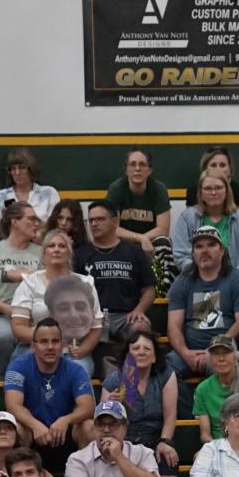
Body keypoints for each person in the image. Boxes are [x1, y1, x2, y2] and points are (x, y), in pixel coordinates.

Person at [165, 224, 239, 399]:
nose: (204, 251)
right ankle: (192, 414)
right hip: (189, 351)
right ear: (193, 253)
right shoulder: (182, 282)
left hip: (226, 350)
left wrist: (213, 352)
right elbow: (173, 327)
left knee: (229, 367)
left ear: (221, 250)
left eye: (211, 245)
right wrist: (185, 353)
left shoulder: (238, 279)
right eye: (199, 247)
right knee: (163, 371)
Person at [75, 199, 157, 372]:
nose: (94, 224)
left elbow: (149, 289)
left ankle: (139, 381)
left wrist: (139, 310)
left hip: (125, 316)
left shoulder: (134, 252)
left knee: (141, 326)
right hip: (94, 317)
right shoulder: (80, 254)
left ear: (115, 221)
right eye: (91, 220)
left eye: (100, 219)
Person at [3, 318, 96, 467]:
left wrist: (66, 420)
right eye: (44, 342)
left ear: (63, 345)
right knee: (17, 428)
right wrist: (34, 425)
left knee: (88, 426)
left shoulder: (76, 370)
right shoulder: (18, 366)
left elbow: (88, 407)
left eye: (55, 341)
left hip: (65, 435)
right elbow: (13, 405)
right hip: (33, 435)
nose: (50, 347)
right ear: (34, 345)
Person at [104, 330, 180, 477]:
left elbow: (170, 416)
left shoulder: (165, 375)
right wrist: (113, 405)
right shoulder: (115, 380)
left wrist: (164, 441)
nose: (141, 351)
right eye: (136, 348)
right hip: (125, 436)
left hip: (156, 435)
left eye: (147, 348)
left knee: (168, 457)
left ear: (154, 357)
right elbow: (103, 421)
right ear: (127, 354)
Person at [10, 230, 101, 363]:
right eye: (51, 246)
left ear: (69, 253)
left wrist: (84, 349)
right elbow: (18, 326)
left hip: (73, 352)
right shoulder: (30, 282)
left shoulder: (86, 283)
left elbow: (96, 326)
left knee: (80, 372)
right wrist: (47, 341)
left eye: (62, 246)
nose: (56, 249)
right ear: (43, 253)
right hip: (36, 349)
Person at [0, 201, 43, 378]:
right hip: (2, 314)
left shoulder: (41, 253)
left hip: (35, 315)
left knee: (45, 335)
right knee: (5, 335)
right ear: (15, 221)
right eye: (31, 219)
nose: (37, 223)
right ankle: (1, 382)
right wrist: (9, 310)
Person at [171, 171, 239, 279]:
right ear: (200, 193)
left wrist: (228, 279)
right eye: (208, 188)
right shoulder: (187, 218)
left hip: (235, 281)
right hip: (196, 280)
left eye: (218, 188)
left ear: (227, 192)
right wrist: (203, 275)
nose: (213, 192)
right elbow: (181, 256)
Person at [192, 333, 239, 442]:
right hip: (218, 446)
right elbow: (205, 435)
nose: (221, 358)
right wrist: (223, 450)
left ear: (236, 357)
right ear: (210, 360)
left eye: (226, 353)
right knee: (198, 456)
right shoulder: (203, 389)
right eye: (216, 354)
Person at [104, 147, 172, 262]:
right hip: (124, 242)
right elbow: (112, 228)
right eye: (132, 164)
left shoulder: (159, 189)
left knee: (164, 242)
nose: (137, 169)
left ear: (149, 170)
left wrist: (145, 240)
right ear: (126, 170)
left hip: (150, 243)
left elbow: (163, 229)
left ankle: (161, 280)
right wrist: (140, 238)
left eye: (142, 164)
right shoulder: (116, 189)